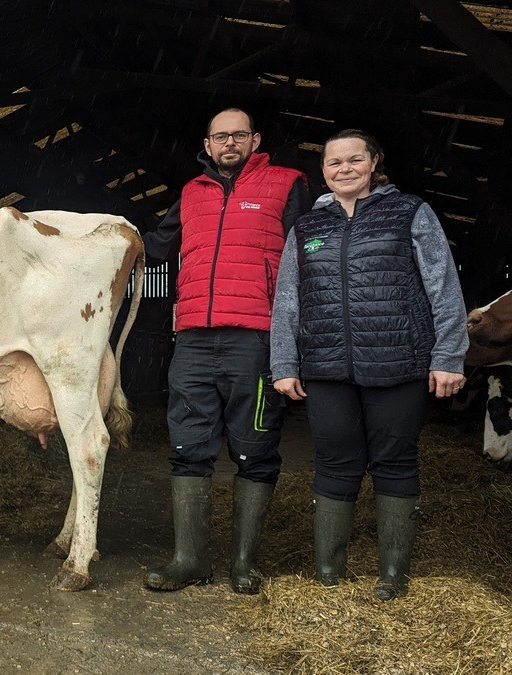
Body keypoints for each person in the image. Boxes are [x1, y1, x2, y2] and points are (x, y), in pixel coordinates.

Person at [270, 129, 468, 601]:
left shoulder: (410, 212)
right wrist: (283, 362)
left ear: (374, 162)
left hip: (398, 362)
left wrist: (447, 356)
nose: (344, 169)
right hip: (325, 367)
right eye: (333, 163)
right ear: (323, 171)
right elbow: (287, 302)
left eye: (354, 159)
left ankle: (393, 574)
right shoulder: (307, 229)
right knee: (335, 461)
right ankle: (328, 573)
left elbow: (443, 286)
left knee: (395, 461)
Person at [142, 108, 310, 595]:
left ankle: (242, 564)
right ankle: (188, 559)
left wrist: (297, 341)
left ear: (255, 140)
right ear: (208, 142)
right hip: (192, 337)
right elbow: (157, 245)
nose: (230, 143)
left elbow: (308, 256)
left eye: (239, 135)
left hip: (255, 337)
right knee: (187, 446)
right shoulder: (192, 192)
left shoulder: (288, 183)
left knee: (254, 446)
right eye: (221, 136)